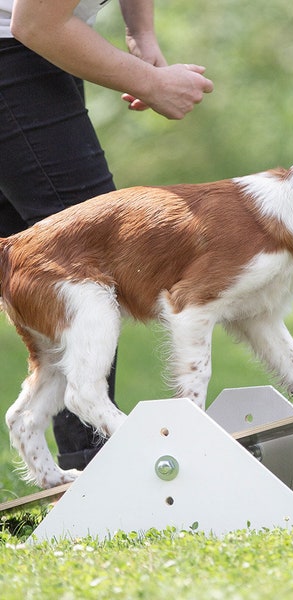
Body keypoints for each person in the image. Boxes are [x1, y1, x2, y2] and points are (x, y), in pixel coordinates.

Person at [0, 0, 213, 472]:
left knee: (29, 265)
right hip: (18, 52)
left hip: (33, 53)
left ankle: (68, 472)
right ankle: (100, 470)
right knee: (87, 256)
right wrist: (152, 82)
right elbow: (34, 21)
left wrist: (142, 34)